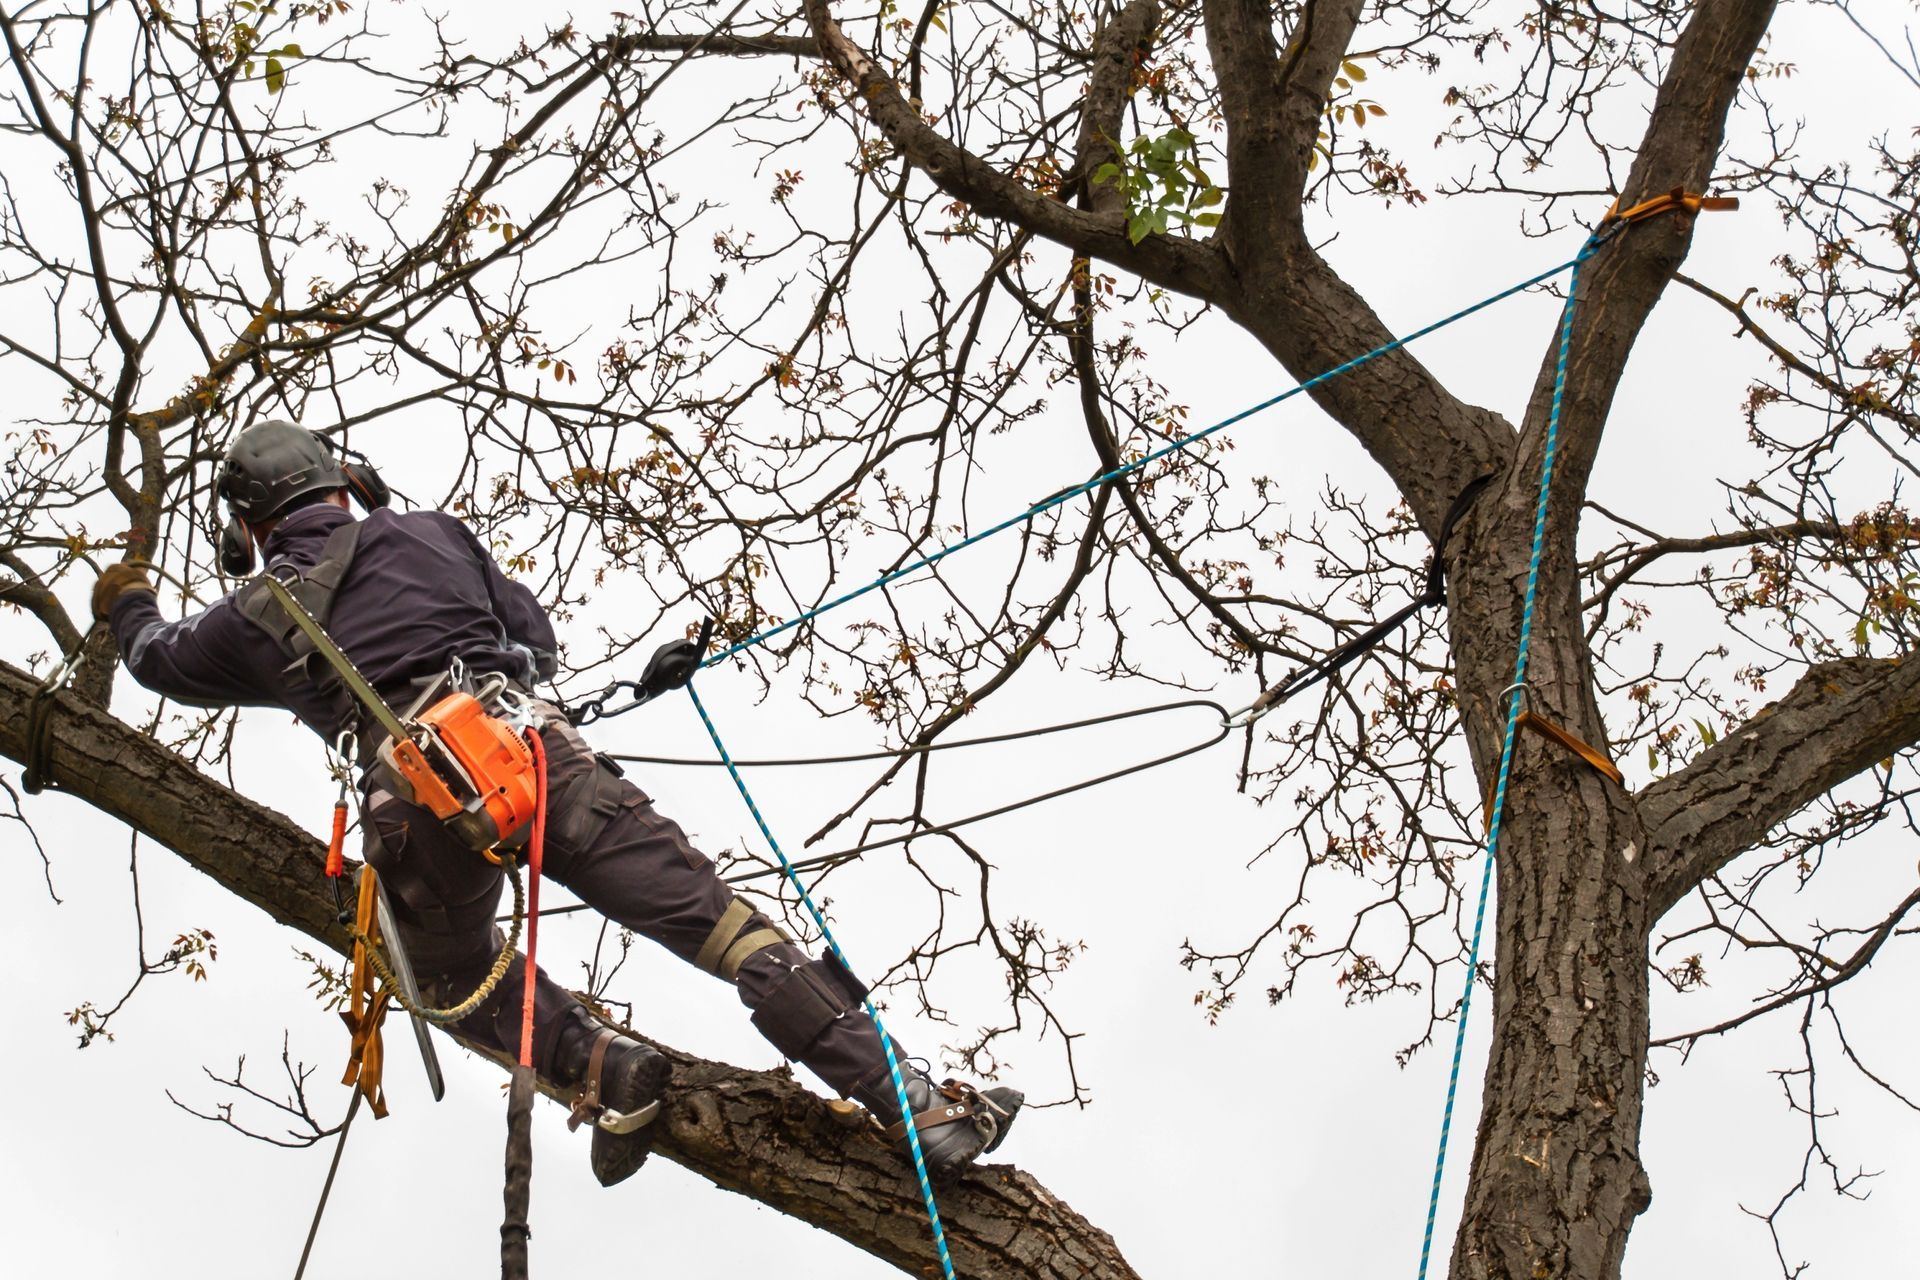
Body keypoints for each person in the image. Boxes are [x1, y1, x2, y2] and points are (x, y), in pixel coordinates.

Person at [91, 419, 1020, 1186]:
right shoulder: (434, 533)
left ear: (247, 529)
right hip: (541, 755)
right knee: (724, 927)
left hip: (416, 805)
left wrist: (126, 597)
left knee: (446, 974)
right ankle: (917, 1105)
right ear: (348, 483)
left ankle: (603, 1065)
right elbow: (533, 639)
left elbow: (153, 661)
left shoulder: (253, 616)